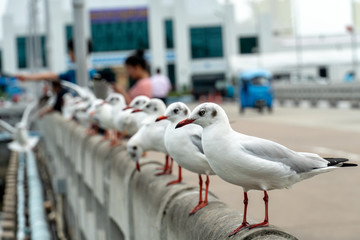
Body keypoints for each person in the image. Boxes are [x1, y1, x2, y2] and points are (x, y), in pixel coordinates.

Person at [15, 39, 97, 84]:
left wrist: (27, 77)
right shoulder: (73, 73)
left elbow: (50, 75)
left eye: (70, 51)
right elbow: (50, 75)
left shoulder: (91, 74)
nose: (69, 54)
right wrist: (27, 77)